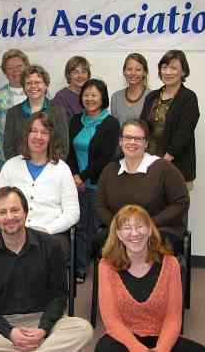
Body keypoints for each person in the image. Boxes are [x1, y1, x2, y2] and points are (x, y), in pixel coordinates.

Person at [0, 186, 93, 352]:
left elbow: (59, 296)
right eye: (2, 212)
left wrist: (43, 329)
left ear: (25, 212)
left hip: (42, 318)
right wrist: (9, 332)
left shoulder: (50, 246)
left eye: (15, 210)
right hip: (0, 322)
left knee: (83, 330)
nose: (9, 217)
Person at [95, 205, 205, 352]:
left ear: (149, 230)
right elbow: (112, 321)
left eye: (139, 226)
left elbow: (173, 319)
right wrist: (139, 350)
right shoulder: (106, 266)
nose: (134, 233)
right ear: (118, 234)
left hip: (161, 336)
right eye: (127, 228)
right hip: (124, 338)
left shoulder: (170, 263)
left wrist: (161, 349)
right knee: (104, 349)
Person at [95, 119, 189, 255]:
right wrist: (119, 226)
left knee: (147, 249)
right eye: (127, 137)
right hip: (120, 230)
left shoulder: (163, 168)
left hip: (159, 229)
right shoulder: (109, 170)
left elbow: (181, 202)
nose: (132, 142)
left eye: (138, 138)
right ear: (120, 141)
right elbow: (100, 205)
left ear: (146, 143)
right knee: (98, 242)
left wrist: (147, 224)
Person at [0, 112, 79, 258]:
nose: (38, 137)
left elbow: (73, 212)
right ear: (26, 136)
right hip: (13, 229)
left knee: (39, 254)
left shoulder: (62, 169)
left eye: (44, 132)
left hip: (51, 234)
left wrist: (47, 229)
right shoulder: (10, 166)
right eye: (34, 131)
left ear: (51, 138)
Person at [67, 78, 120, 283]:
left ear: (102, 97)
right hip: (74, 182)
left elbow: (105, 157)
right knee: (78, 225)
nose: (89, 98)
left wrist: (83, 176)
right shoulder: (75, 120)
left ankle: (100, 267)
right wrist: (73, 175)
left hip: (96, 183)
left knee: (92, 227)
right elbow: (70, 151)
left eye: (94, 95)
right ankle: (80, 267)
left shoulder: (110, 123)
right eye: (86, 94)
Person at [140, 50, 200, 187]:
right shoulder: (152, 97)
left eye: (173, 68)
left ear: (183, 72)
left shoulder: (189, 98)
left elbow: (184, 134)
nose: (168, 72)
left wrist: (163, 162)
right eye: (164, 67)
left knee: (175, 208)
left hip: (177, 168)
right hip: (149, 165)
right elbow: (142, 127)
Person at [4, 64, 69, 162]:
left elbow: (63, 147)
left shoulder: (58, 111)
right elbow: (8, 148)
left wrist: (49, 168)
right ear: (24, 87)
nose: (33, 86)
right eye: (29, 83)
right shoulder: (13, 113)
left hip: (51, 169)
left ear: (46, 85)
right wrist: (21, 168)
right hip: (20, 170)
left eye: (38, 82)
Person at [0, 49, 30, 180]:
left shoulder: (38, 92)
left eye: (19, 66)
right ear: (5, 72)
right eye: (10, 68)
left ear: (26, 67)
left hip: (37, 162)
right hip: (6, 163)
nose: (15, 71)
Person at [110, 53, 151, 126]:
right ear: (124, 72)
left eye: (138, 70)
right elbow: (114, 128)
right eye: (129, 69)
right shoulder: (116, 97)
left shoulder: (153, 97)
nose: (133, 73)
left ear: (145, 72)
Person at [53, 56, 91, 123]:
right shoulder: (61, 97)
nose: (80, 76)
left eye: (84, 72)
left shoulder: (92, 95)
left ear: (88, 75)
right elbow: (61, 127)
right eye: (76, 72)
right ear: (69, 75)